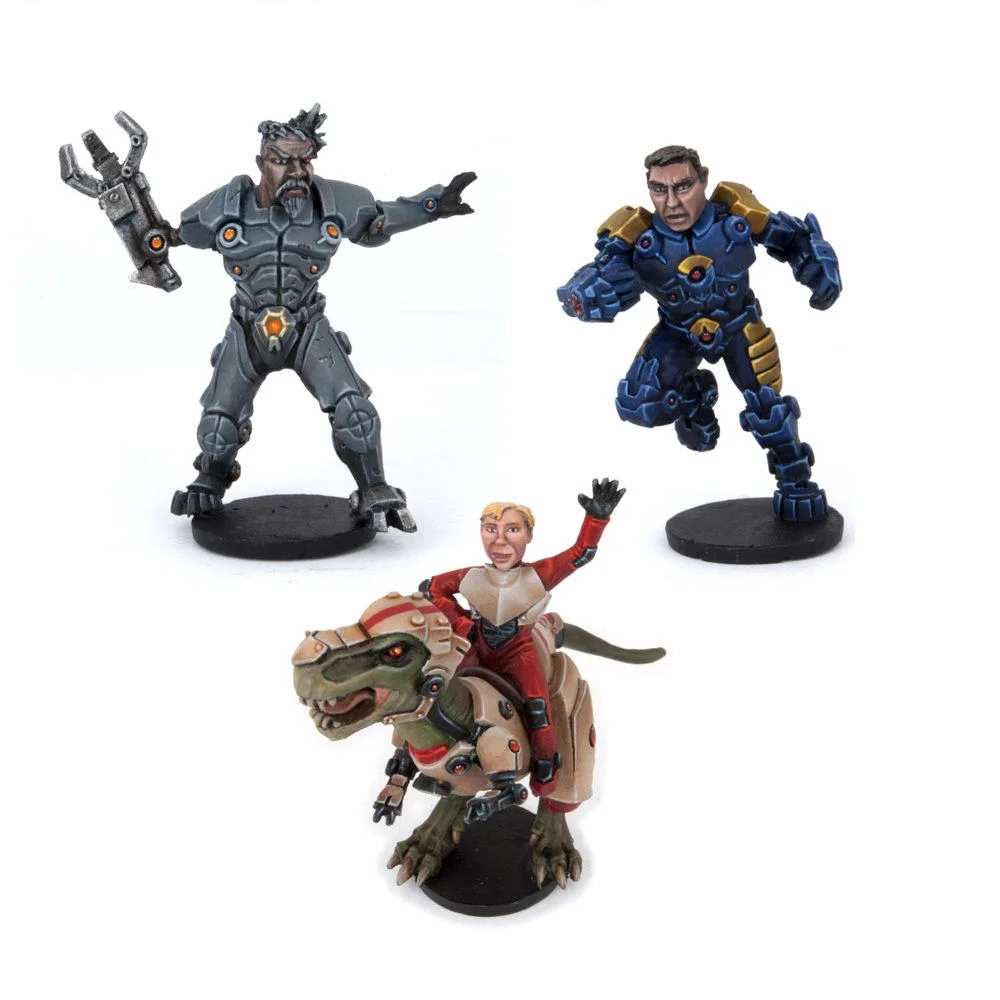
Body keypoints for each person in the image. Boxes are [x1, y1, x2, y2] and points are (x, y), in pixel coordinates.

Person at [169, 104, 475, 529]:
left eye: (305, 160)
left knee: (355, 412)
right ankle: (210, 479)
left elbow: (381, 219)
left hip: (307, 326)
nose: (296, 171)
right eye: (283, 160)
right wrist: (142, 231)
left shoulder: (332, 203)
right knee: (218, 425)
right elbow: (174, 237)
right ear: (261, 162)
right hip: (247, 329)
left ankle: (374, 487)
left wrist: (432, 205)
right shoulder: (226, 207)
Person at [557, 145, 841, 522]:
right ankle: (696, 398)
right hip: (678, 332)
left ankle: (796, 481)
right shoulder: (636, 236)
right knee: (637, 403)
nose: (672, 202)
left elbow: (792, 239)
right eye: (659, 189)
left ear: (703, 180)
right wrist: (586, 294)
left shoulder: (735, 215)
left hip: (738, 326)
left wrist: (817, 268)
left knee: (768, 409)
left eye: (683, 186)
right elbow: (603, 273)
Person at [422, 478, 624, 796]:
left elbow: (581, 553)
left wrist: (595, 518)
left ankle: (544, 767)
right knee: (434, 687)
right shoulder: (472, 576)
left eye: (512, 530)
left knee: (537, 706)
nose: (500, 541)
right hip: (478, 645)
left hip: (518, 650)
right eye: (491, 529)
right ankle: (415, 760)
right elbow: (431, 589)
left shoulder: (537, 575)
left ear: (528, 535)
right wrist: (462, 623)